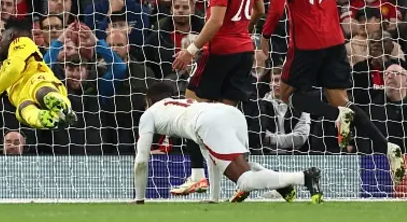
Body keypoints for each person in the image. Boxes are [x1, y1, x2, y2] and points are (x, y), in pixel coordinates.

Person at [261, 0, 406, 185]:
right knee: (342, 100)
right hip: (335, 40)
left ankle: (337, 116)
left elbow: (277, 8)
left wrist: (265, 38)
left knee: (287, 94)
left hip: (305, 42)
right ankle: (389, 148)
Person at [170, 0, 265, 196]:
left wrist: (190, 50)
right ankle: (244, 179)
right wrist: (243, 31)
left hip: (221, 52)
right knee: (223, 119)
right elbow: (259, 8)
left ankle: (198, 175)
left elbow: (215, 21)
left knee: (190, 109)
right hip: (244, 52)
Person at [132, 82, 323, 204]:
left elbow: (141, 161)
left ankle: (303, 177)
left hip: (208, 122)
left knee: (244, 180)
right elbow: (209, 157)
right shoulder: (182, 106)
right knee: (244, 167)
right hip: (230, 113)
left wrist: (139, 198)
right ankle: (280, 184)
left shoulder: (149, 114)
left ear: (148, 100)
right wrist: (213, 198)